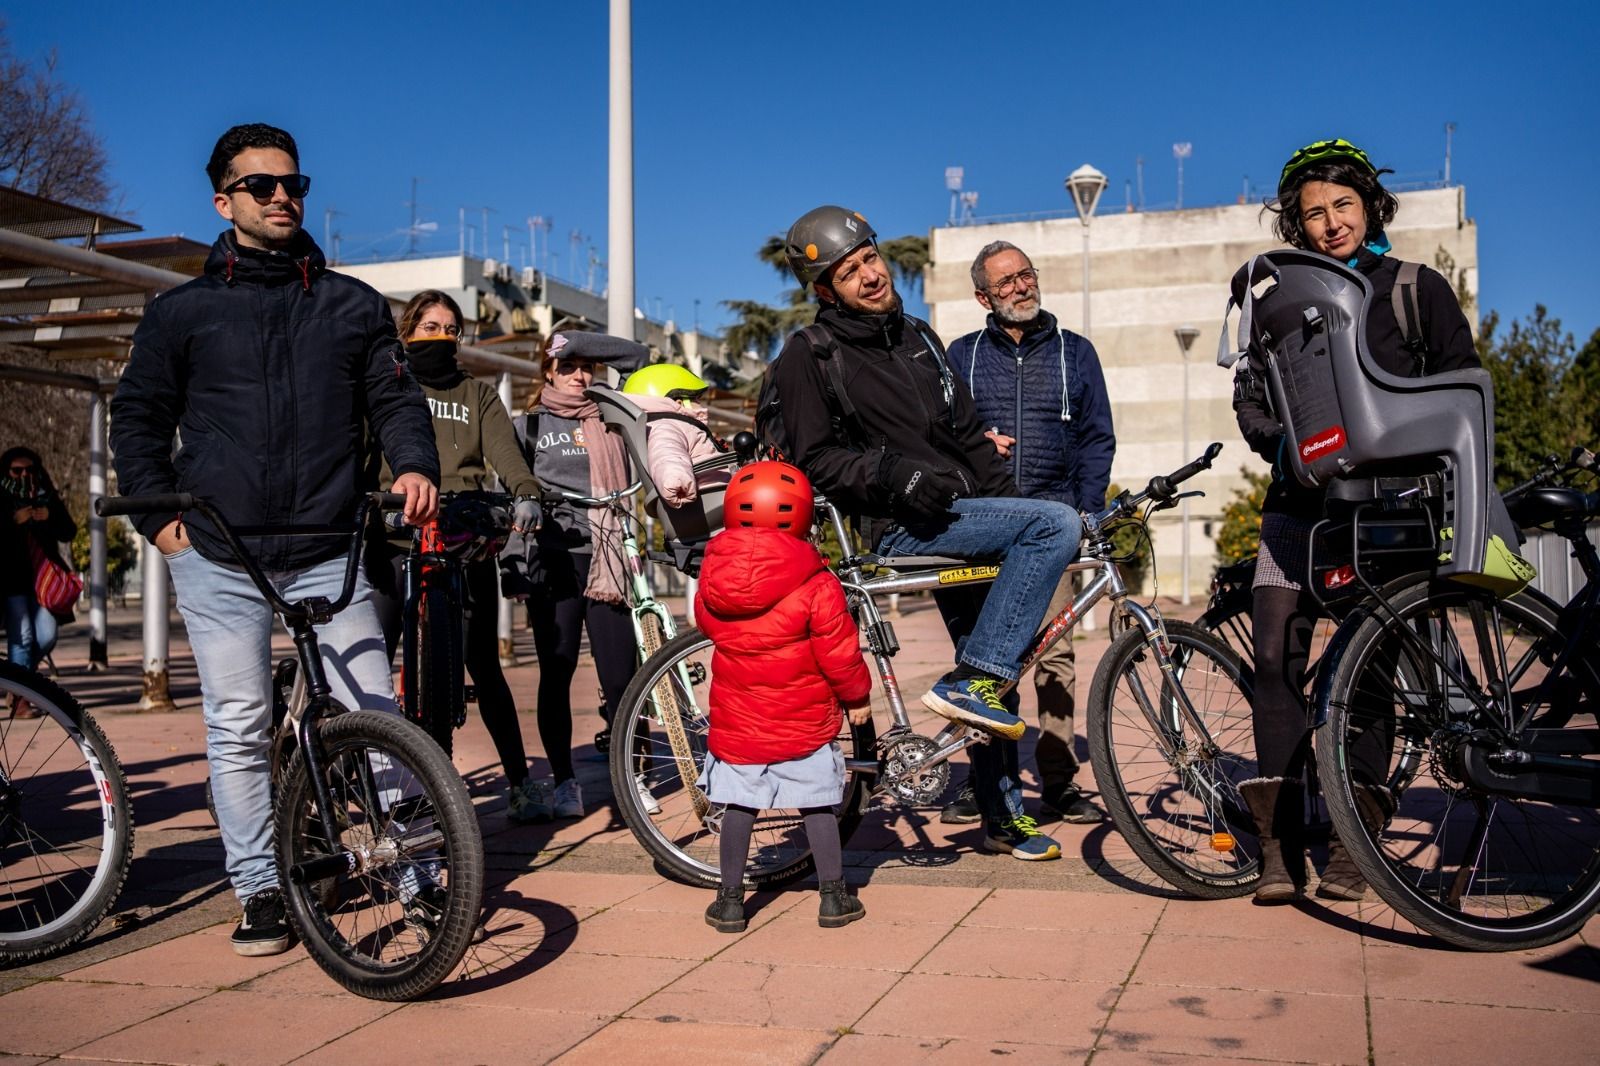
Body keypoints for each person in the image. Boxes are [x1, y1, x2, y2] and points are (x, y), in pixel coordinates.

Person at [111, 123, 440, 956]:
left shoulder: (351, 304)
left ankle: (418, 870)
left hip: (331, 542)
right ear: (224, 201)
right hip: (221, 552)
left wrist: (412, 464)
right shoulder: (181, 311)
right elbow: (139, 418)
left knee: (375, 708)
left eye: (292, 183)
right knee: (238, 720)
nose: (283, 196)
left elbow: (396, 401)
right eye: (262, 187)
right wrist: (161, 522)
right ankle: (260, 888)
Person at [767, 205, 1083, 860]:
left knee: (989, 670)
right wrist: (892, 474)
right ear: (826, 289)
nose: (870, 275)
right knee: (1055, 523)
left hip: (959, 519)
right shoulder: (810, 355)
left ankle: (1000, 819)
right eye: (849, 271)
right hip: (900, 528)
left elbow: (967, 438)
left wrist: (1005, 507)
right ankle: (970, 686)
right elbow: (811, 460)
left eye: (870, 259)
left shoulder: (920, 337)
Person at [1233, 138, 1477, 903]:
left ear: (1368, 204)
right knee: (1273, 660)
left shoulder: (1414, 287)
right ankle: (1278, 846)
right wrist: (1283, 444)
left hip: (1390, 507)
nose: (1331, 223)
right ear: (1295, 226)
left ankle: (1353, 843)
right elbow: (1249, 398)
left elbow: (1461, 381)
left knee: (1369, 670)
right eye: (1313, 214)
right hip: (1296, 507)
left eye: (1342, 205)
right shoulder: (1276, 294)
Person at [941, 241, 1115, 826]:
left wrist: (1088, 513)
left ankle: (1060, 777)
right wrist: (976, 445)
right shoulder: (960, 357)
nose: (1020, 287)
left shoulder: (1076, 353)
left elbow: (1097, 439)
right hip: (983, 528)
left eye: (1026, 275)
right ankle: (988, 779)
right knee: (983, 658)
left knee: (1055, 658)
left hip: (1055, 527)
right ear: (982, 296)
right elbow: (938, 435)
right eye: (1006, 282)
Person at [366, 290, 545, 823]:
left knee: (484, 666)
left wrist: (526, 492)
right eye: (429, 327)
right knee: (372, 662)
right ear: (407, 333)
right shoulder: (390, 387)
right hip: (394, 540)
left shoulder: (477, 394)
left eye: (451, 329)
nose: (441, 337)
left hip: (461, 544)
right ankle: (349, 782)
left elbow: (505, 452)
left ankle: (519, 781)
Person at [696, 461, 872, 931]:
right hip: (804, 718)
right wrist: (857, 698)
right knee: (816, 801)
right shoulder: (817, 581)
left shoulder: (713, 574)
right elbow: (839, 652)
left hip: (738, 718)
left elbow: (707, 624)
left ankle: (730, 901)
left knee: (739, 803)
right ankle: (833, 896)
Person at [501, 331, 646, 820]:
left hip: (607, 553)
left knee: (622, 676)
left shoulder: (611, 413)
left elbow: (638, 356)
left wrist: (571, 340)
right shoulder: (531, 426)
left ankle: (633, 776)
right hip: (557, 558)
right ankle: (565, 780)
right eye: (568, 366)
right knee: (556, 671)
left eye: (587, 365)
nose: (581, 375)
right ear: (547, 372)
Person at [1, 447, 77, 715]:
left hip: (43, 583)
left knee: (46, 636)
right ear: (7, 471)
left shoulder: (46, 496)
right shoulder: (3, 496)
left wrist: (50, 516)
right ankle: (22, 700)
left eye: (30, 470)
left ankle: (14, 683)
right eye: (17, 470)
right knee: (21, 636)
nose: (24, 475)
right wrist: (13, 521)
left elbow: (69, 532)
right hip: (11, 581)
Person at [619, 363, 731, 506]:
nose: (702, 405)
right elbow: (666, 452)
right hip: (708, 501)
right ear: (679, 403)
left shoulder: (678, 425)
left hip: (715, 495)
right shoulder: (667, 426)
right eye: (696, 399)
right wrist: (676, 480)